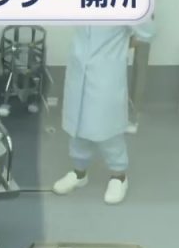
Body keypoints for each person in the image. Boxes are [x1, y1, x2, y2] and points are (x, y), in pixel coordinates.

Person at [53, 23, 153, 205]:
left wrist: (119, 45)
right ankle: (79, 173)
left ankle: (119, 176)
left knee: (108, 126)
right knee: (77, 123)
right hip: (78, 66)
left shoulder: (123, 4)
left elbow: (146, 31)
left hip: (107, 70)